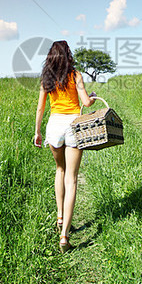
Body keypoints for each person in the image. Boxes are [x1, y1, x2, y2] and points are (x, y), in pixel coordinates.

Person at [34, 40, 95, 252]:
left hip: (54, 125)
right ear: (68, 55)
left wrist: (38, 132)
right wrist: (93, 97)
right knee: (72, 178)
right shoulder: (75, 75)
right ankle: (65, 235)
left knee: (60, 170)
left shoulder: (47, 79)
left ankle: (60, 217)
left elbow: (40, 109)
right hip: (73, 124)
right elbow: (86, 103)